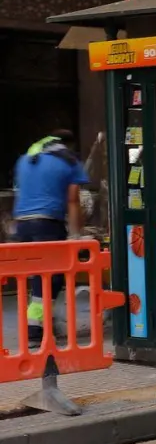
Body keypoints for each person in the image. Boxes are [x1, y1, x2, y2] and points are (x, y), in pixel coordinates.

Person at [12, 130, 89, 342]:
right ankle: (35, 329)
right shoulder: (69, 160)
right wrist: (76, 235)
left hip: (22, 224)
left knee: (37, 276)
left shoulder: (25, 159)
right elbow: (73, 200)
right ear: (68, 144)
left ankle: (40, 322)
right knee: (50, 278)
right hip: (47, 223)